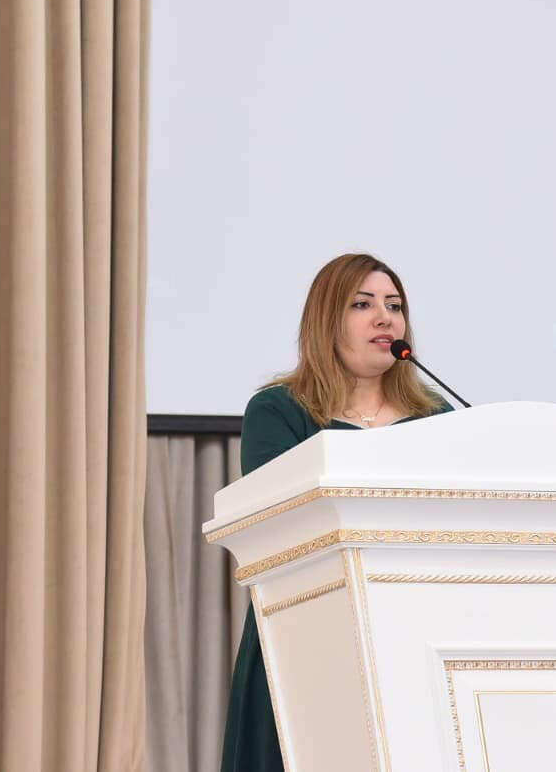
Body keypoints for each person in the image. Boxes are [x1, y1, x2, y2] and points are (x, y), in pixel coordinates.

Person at [219, 252, 455, 772]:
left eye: (394, 306)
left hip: (411, 627)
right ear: (327, 320)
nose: (384, 318)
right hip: (306, 620)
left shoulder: (437, 416)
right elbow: (275, 524)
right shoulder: (280, 411)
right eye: (362, 304)